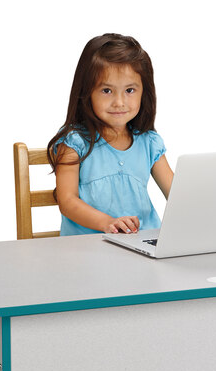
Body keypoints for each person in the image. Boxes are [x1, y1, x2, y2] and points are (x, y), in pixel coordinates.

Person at [47, 33, 174, 236]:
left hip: (142, 244)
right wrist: (108, 223)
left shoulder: (149, 142)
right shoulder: (74, 142)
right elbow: (67, 201)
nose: (119, 102)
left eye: (130, 90)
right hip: (86, 250)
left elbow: (177, 196)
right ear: (86, 92)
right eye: (107, 91)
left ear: (144, 92)